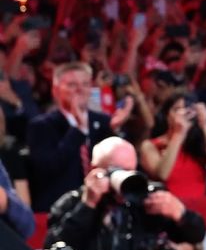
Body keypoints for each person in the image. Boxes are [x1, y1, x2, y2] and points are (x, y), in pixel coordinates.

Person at [45, 136, 206, 250]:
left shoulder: (147, 198)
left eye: (131, 171)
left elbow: (196, 235)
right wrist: (88, 205)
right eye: (118, 171)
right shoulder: (71, 203)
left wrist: (181, 214)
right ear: (94, 170)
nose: (126, 179)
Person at [26, 61, 134, 212]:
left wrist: (116, 131)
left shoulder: (103, 122)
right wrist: (78, 130)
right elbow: (45, 170)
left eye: (85, 84)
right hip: (60, 209)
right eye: (72, 85)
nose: (80, 90)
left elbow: (121, 164)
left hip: (100, 210)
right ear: (55, 90)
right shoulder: (41, 126)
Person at [140, 91, 206, 202]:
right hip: (167, 209)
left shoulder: (196, 143)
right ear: (167, 116)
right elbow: (162, 174)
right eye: (177, 109)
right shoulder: (150, 145)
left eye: (187, 108)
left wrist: (205, 124)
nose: (183, 113)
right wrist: (178, 134)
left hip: (199, 208)